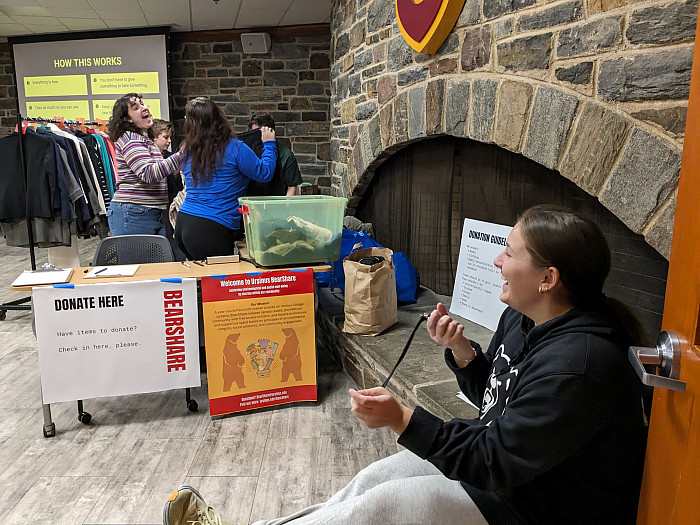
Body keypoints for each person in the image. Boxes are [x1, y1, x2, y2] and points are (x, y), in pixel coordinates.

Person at [163, 205, 648, 525]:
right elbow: (500, 407)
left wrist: (402, 418)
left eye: (511, 252)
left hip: (538, 508)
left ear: (549, 278)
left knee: (384, 507)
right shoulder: (521, 318)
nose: (497, 261)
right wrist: (464, 355)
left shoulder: (580, 365)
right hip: (511, 478)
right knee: (372, 480)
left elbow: (497, 461)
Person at [174, 97, 277, 260]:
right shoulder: (235, 148)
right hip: (211, 228)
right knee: (220, 282)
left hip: (184, 223)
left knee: (199, 282)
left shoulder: (187, 151)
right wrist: (270, 144)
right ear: (219, 118)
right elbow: (264, 173)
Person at [106, 94, 181, 236]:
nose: (144, 107)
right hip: (134, 214)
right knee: (138, 259)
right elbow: (149, 174)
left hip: (149, 213)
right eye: (136, 107)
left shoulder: (143, 140)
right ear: (127, 119)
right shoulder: (130, 139)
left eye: (142, 103)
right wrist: (182, 155)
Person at [242, 113, 303, 197]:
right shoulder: (247, 152)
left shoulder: (286, 155)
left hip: (278, 206)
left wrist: (285, 207)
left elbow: (292, 187)